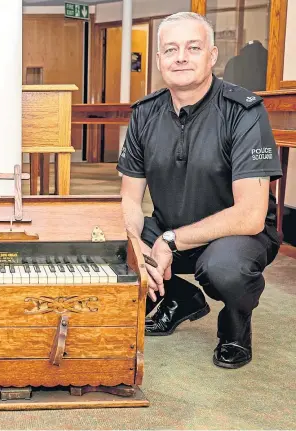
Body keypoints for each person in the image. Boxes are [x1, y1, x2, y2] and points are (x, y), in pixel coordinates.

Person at [117, 12, 282, 369]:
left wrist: (171, 240)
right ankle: (181, 297)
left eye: (193, 48)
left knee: (225, 268)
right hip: (170, 228)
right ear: (159, 60)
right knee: (106, 238)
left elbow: (251, 215)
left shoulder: (244, 111)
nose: (180, 57)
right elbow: (129, 198)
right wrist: (135, 242)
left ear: (212, 56)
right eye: (170, 49)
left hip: (238, 237)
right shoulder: (144, 114)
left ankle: (235, 328)